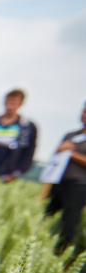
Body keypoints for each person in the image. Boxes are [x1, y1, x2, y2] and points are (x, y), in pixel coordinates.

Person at [45, 102, 86, 252]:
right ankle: (43, 247)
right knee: (47, 216)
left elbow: (71, 155)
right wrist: (60, 149)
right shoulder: (71, 135)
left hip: (79, 186)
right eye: (83, 111)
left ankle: (62, 254)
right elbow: (55, 155)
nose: (84, 115)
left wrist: (72, 153)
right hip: (59, 182)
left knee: (70, 222)